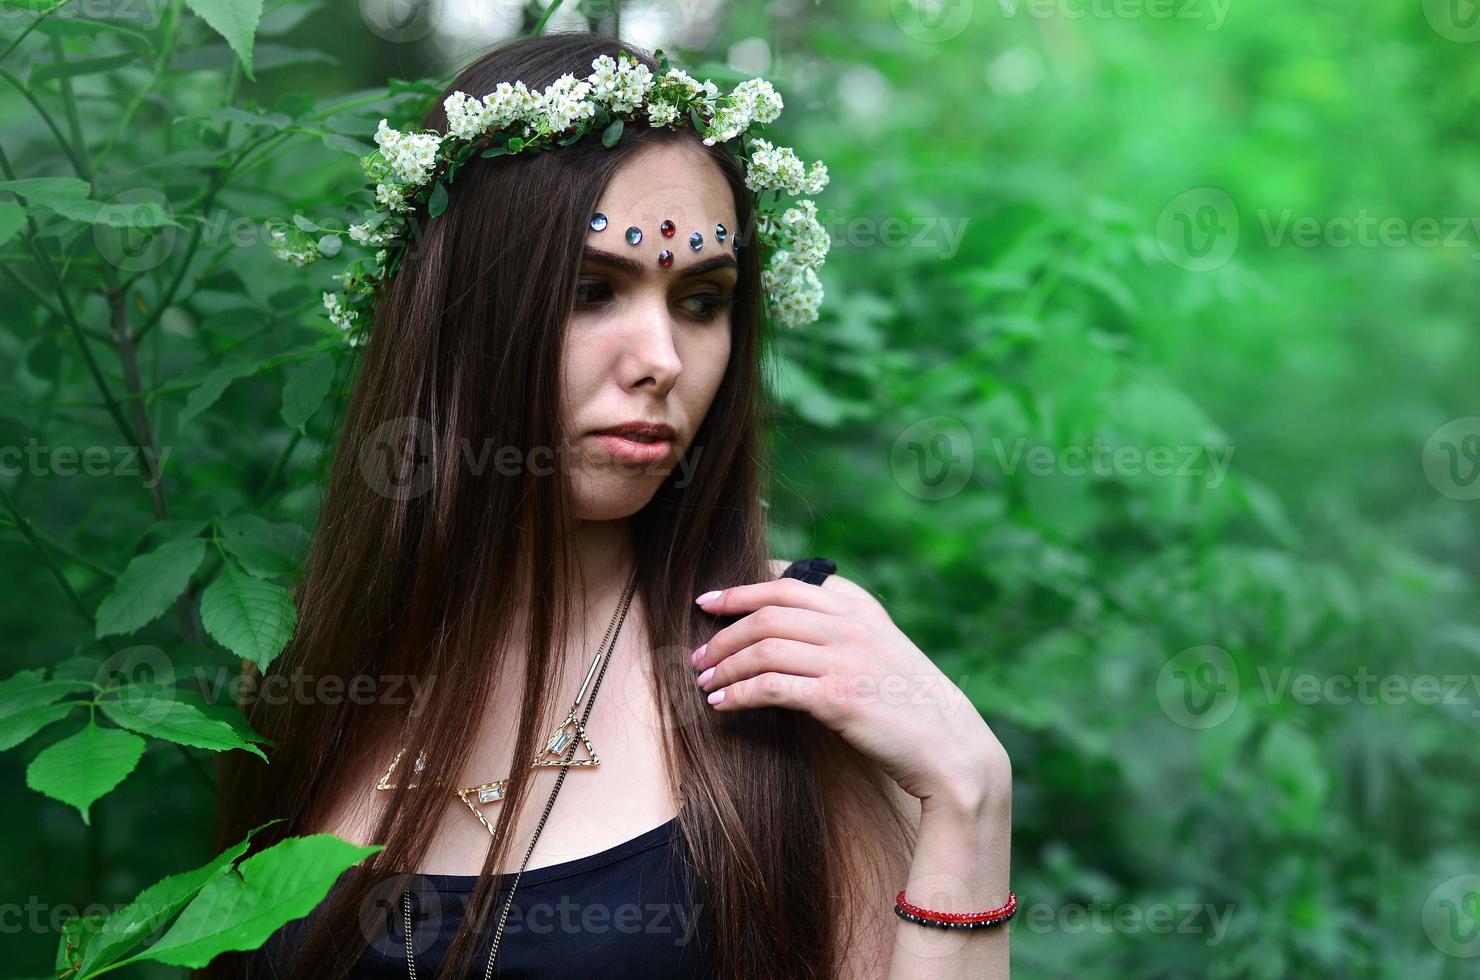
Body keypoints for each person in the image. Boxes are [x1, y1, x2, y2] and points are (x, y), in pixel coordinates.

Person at [213, 31, 1011, 980]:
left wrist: (969, 795)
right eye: (594, 289)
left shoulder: (778, 668)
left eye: (702, 301)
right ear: (458, 311)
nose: (661, 359)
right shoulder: (307, 678)